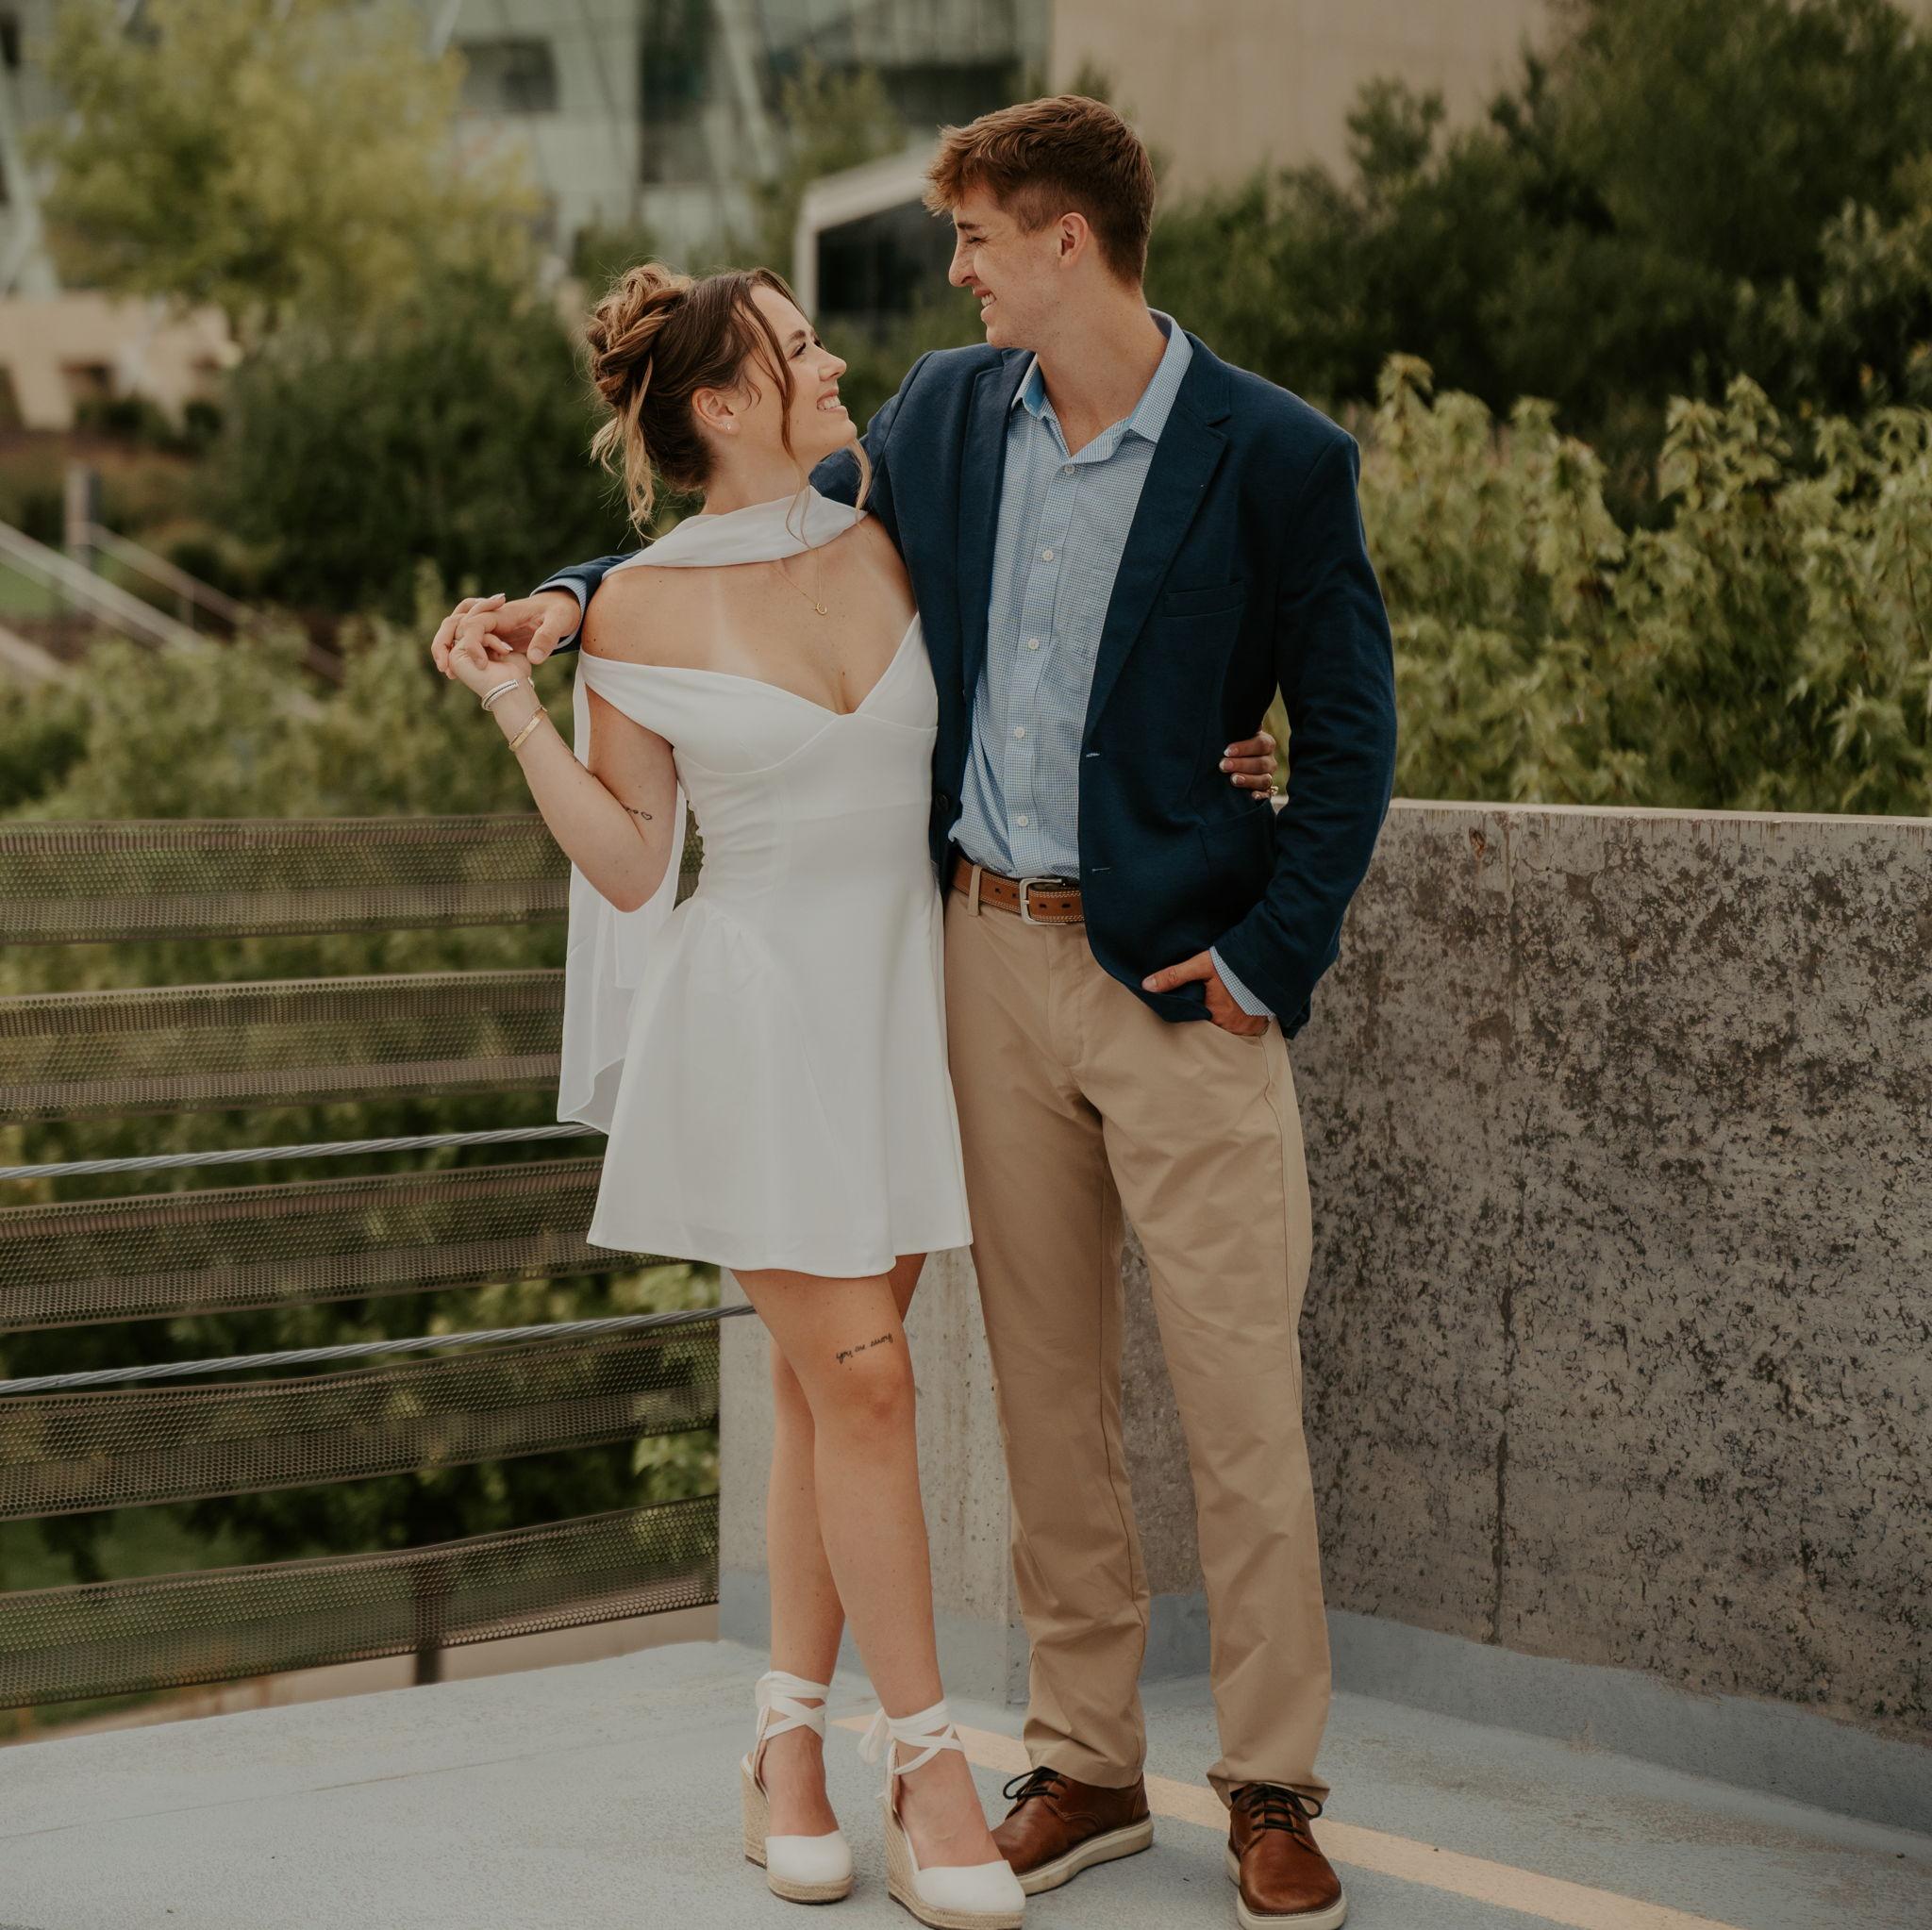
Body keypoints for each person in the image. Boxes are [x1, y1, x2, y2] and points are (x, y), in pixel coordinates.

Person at [433, 254, 1279, 1929]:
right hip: (753, 1035)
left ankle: (783, 1746)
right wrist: (520, 701)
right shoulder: (638, 612)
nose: (834, 367)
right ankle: (926, 1765)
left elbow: (1063, 661)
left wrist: (1227, 748)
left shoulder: (893, 530)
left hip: (899, 1021)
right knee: (873, 1384)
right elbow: (632, 864)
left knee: (829, 1396)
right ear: (724, 402)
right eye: (798, 350)